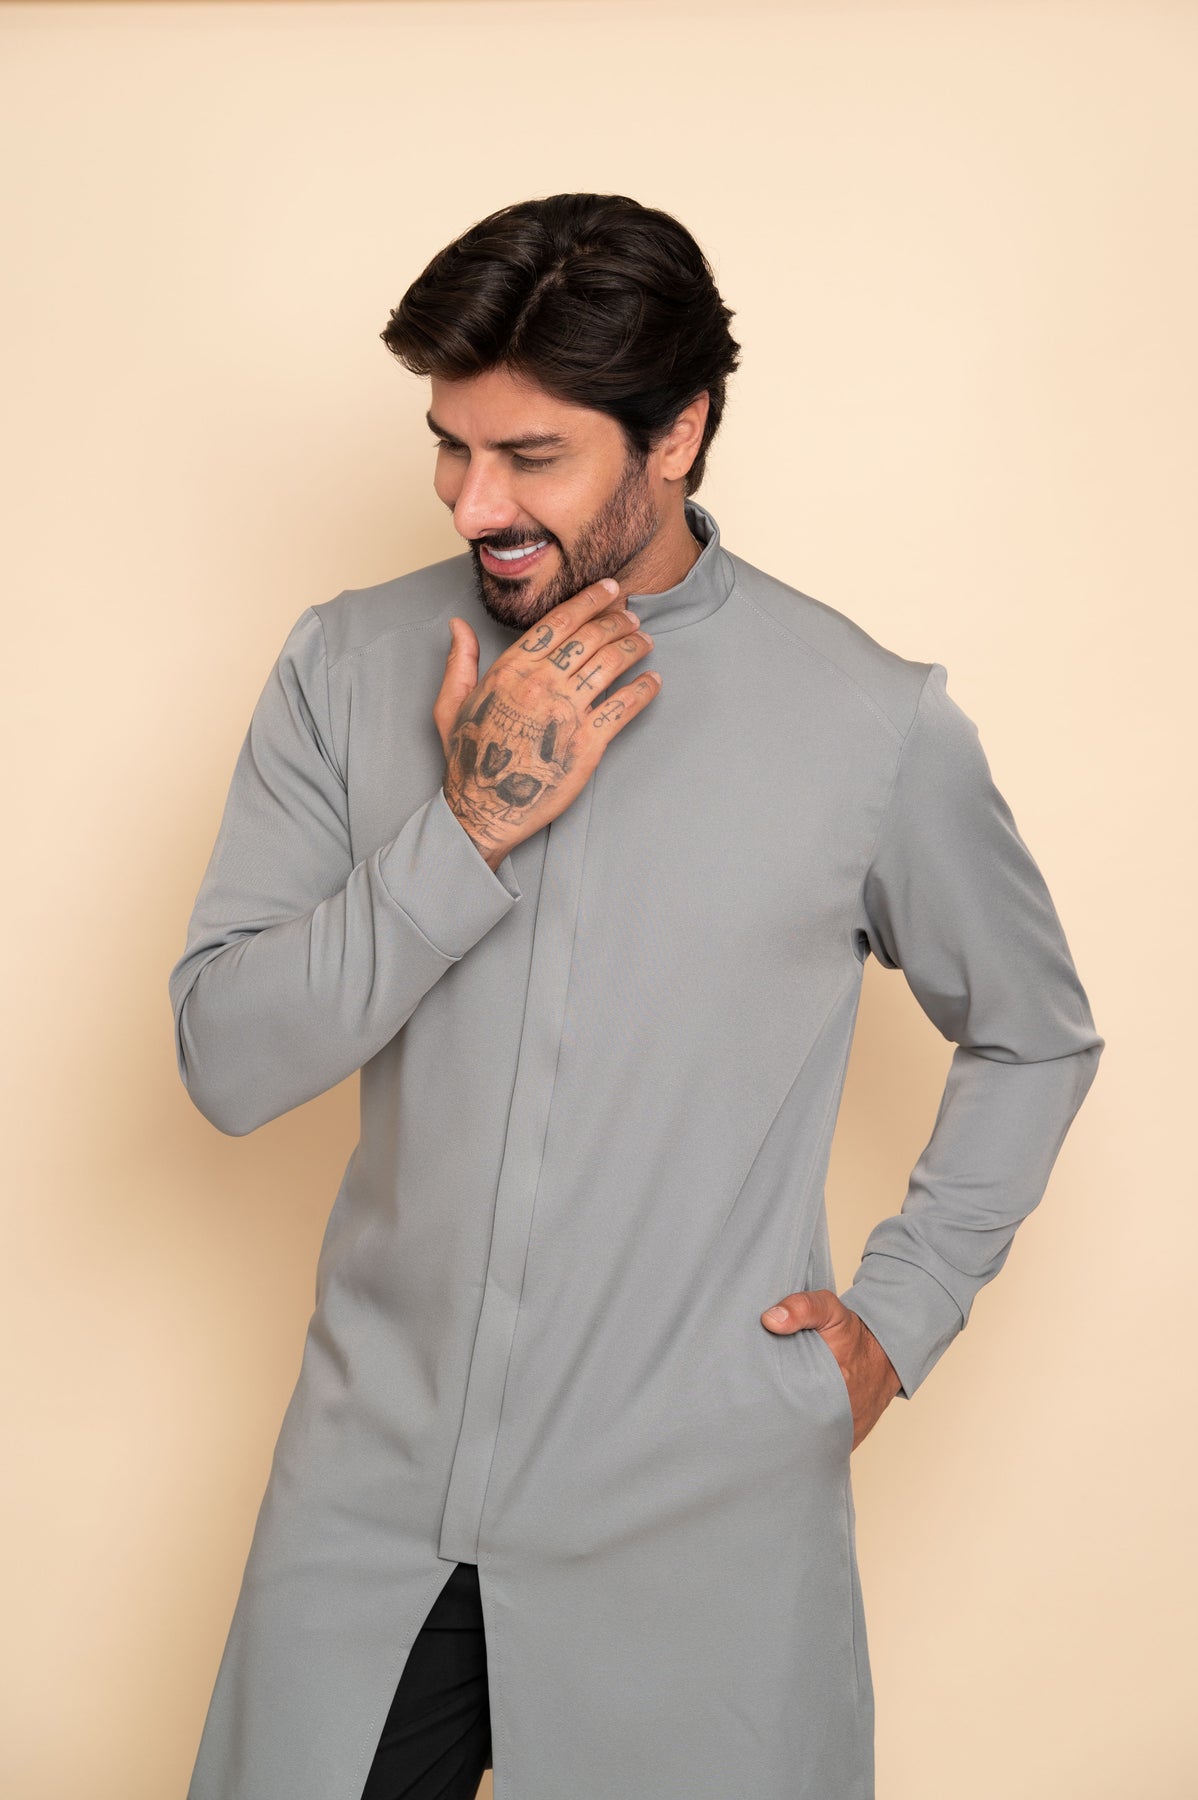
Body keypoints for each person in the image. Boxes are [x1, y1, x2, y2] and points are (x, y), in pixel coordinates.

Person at [169, 193, 1104, 1800]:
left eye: (530, 456)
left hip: (698, 1525)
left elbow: (1035, 1036)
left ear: (677, 433)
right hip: (368, 1506)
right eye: (450, 448)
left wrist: (898, 1319)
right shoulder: (346, 664)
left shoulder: (869, 722)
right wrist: (464, 828)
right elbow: (227, 1061)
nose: (475, 503)